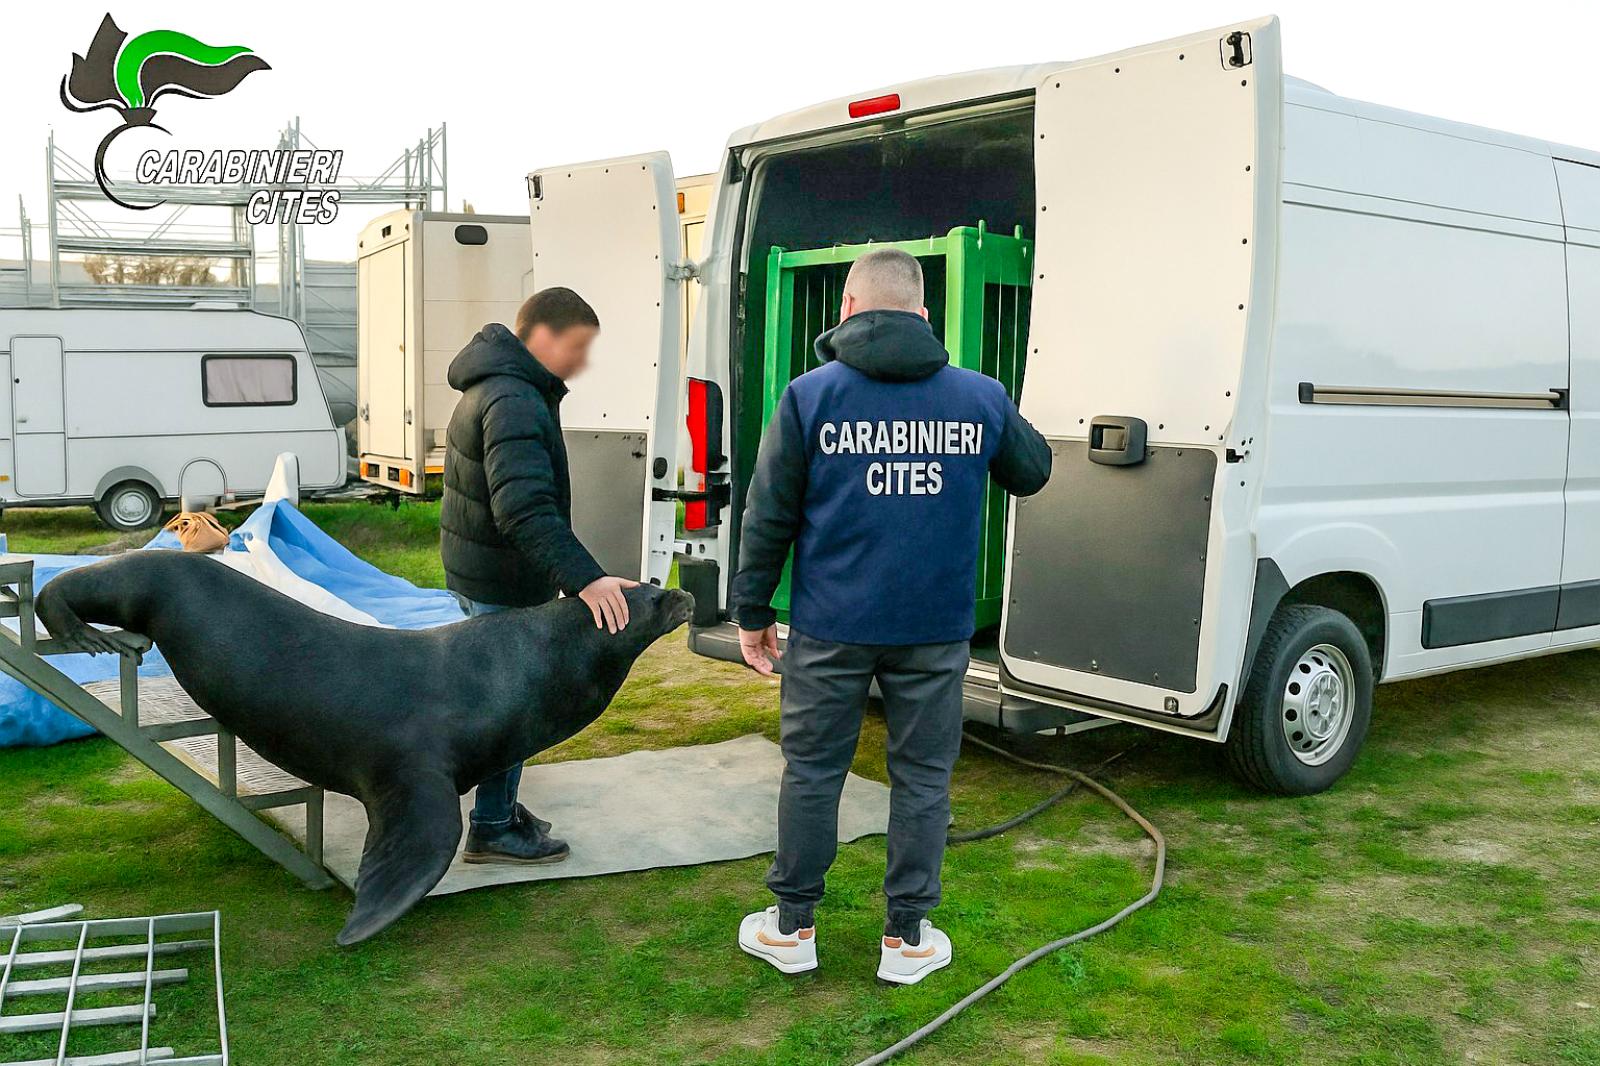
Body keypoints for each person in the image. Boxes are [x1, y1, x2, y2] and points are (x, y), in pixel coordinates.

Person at [731, 248, 1051, 984]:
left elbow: (767, 513)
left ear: (846, 307)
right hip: (934, 630)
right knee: (923, 779)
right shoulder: (978, 396)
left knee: (814, 772)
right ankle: (906, 939)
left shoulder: (809, 397)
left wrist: (751, 609)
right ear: (923, 313)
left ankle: (792, 927)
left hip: (831, 625)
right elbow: (1033, 471)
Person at [440, 286, 637, 866]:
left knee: (497, 700)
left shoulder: (499, 385)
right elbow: (523, 509)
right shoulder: (514, 398)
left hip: (480, 573)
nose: (581, 362)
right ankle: (493, 826)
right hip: (500, 583)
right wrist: (587, 580)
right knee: (510, 706)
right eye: (577, 347)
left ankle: (499, 808)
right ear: (543, 336)